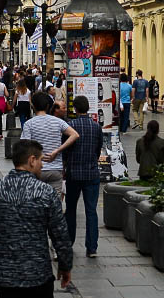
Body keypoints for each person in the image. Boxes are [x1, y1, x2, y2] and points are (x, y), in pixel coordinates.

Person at [0, 140, 73, 297]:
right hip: (37, 274)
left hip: (3, 276)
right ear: (32, 160)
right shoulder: (45, 192)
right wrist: (65, 265)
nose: (42, 165)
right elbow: (60, 233)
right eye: (41, 160)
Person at [62, 95, 102, 258]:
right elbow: (98, 150)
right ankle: (92, 248)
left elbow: (65, 150)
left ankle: (69, 241)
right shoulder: (96, 127)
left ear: (75, 109)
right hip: (91, 173)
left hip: (73, 173)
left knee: (70, 209)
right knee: (91, 211)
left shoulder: (70, 126)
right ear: (88, 108)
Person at [20, 92, 80, 195]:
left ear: (33, 105)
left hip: (36, 168)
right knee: (55, 203)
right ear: (48, 106)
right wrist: (57, 150)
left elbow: (25, 146)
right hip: (56, 169)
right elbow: (75, 135)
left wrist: (40, 157)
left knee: (36, 201)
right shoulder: (58, 122)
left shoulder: (29, 124)